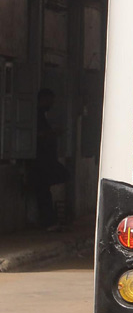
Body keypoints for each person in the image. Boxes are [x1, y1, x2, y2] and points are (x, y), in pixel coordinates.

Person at [34, 88, 70, 230]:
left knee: (45, 190)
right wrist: (51, 133)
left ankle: (49, 221)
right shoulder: (36, 115)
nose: (51, 104)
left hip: (47, 158)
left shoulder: (43, 115)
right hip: (41, 159)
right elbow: (37, 135)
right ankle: (48, 222)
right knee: (43, 191)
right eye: (49, 100)